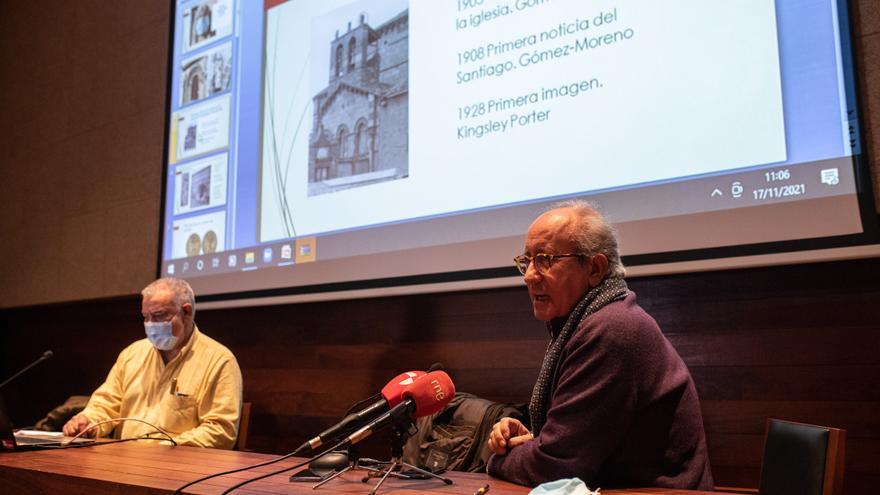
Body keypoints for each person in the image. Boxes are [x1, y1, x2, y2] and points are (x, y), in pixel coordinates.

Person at [487, 201, 713, 490]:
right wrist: (534, 440)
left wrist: (498, 458)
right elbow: (571, 448)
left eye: (545, 259)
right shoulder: (593, 319)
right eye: (527, 260)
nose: (530, 275)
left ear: (595, 268)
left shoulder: (611, 330)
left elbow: (555, 466)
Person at [63, 278, 242, 449]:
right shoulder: (132, 354)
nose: (150, 324)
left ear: (186, 312)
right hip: (123, 462)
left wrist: (163, 449)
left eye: (159, 315)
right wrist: (88, 421)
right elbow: (105, 404)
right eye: (145, 317)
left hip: (180, 468)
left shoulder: (219, 360)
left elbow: (220, 432)